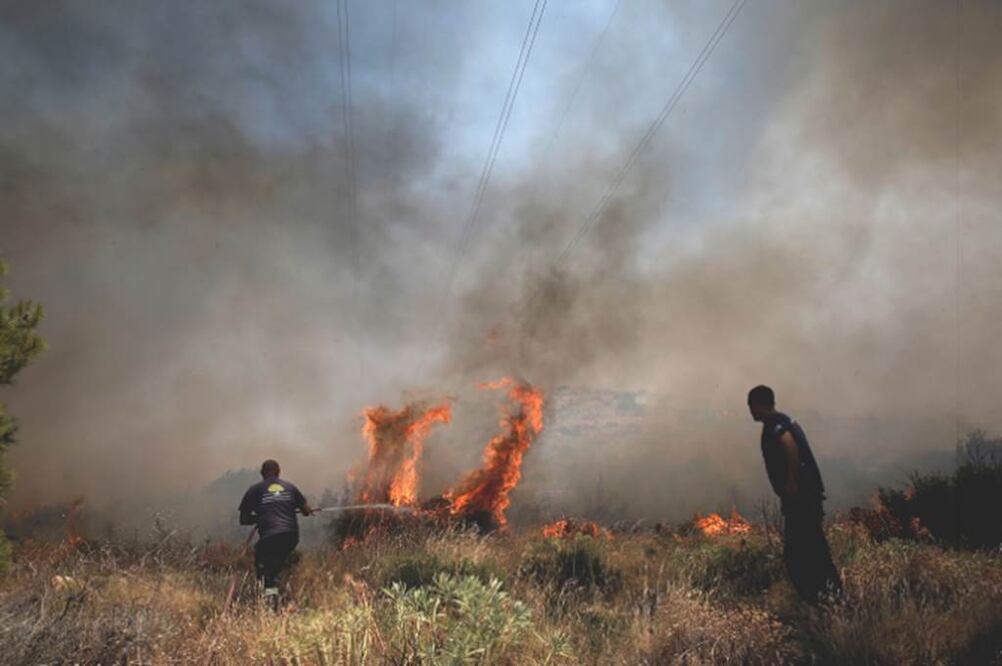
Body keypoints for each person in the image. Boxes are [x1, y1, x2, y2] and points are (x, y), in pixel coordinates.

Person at [748, 385, 842, 603]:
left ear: (758, 404)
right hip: (805, 496)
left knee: (798, 555)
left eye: (751, 406)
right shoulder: (785, 420)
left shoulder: (775, 424)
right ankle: (828, 597)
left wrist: (791, 481)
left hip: (801, 498)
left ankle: (820, 598)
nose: (750, 411)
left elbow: (788, 444)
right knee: (813, 548)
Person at [238, 459, 313, 605]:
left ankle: (272, 602)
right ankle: (285, 584)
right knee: (279, 561)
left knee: (265, 570)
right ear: (279, 472)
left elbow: (243, 519)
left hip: (270, 537)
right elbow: (306, 510)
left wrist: (259, 517)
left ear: (262, 473)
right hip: (291, 536)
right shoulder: (290, 487)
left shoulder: (254, 490)